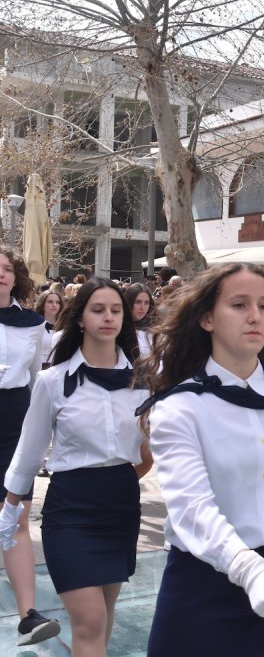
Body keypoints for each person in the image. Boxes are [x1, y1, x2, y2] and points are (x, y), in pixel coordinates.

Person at [139, 263, 264, 656]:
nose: (255, 315)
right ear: (207, 317)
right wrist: (248, 568)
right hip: (203, 583)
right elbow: (190, 507)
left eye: (263, 305)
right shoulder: (180, 407)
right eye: (239, 305)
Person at [2, 277, 149, 655]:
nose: (109, 317)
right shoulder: (52, 382)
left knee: (105, 613)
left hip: (121, 502)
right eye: (98, 310)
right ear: (81, 318)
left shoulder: (144, 382)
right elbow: (29, 450)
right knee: (90, 620)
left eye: (116, 310)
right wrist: (10, 506)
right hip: (71, 507)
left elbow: (152, 450)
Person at [0, 247, 61, 646]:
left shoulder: (34, 324)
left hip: (13, 420)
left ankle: (28, 616)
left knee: (16, 517)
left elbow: (37, 375)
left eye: (6, 268)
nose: (1, 274)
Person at [124, 283, 156, 359]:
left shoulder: (155, 328)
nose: (142, 307)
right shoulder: (120, 328)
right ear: (128, 302)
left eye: (146, 303)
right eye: (138, 302)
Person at [33, 288, 64, 367]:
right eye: (50, 302)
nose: (54, 305)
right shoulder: (35, 325)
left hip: (60, 366)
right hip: (40, 366)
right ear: (43, 304)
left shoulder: (65, 325)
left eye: (57, 302)